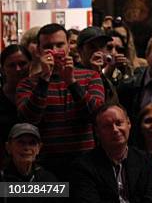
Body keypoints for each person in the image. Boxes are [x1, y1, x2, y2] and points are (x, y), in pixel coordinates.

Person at [16, 23, 105, 180]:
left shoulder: (91, 76)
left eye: (60, 45)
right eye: (48, 46)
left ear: (69, 47)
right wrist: (44, 79)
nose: (55, 51)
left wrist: (71, 82)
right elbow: (29, 120)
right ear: (38, 51)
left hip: (86, 163)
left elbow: (96, 116)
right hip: (46, 166)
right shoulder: (27, 84)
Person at [70, 103, 152, 202]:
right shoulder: (83, 166)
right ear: (97, 132)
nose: (115, 130)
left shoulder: (146, 160)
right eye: (107, 126)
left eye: (119, 123)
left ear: (129, 124)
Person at [1, 124, 57, 202]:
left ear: (38, 148)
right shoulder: (2, 179)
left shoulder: (48, 179)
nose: (27, 148)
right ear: (8, 147)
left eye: (32, 143)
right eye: (21, 142)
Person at [0, 45, 31, 163]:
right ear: (3, 69)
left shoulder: (39, 94)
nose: (18, 69)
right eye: (12, 65)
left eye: (22, 64)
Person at [77, 26, 118, 104]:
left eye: (102, 46)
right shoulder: (73, 76)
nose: (98, 51)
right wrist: (94, 73)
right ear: (80, 51)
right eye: (92, 47)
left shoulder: (104, 76)